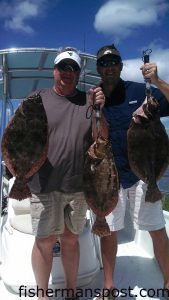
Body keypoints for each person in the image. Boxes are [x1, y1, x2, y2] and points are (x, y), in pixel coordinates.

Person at [25, 47, 105, 300]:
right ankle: (42, 295)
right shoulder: (37, 98)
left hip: (78, 185)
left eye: (73, 68)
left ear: (79, 73)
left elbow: (101, 139)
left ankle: (71, 293)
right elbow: (22, 137)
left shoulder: (88, 101)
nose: (67, 73)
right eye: (63, 67)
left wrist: (99, 109)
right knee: (45, 241)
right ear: (54, 70)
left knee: (71, 240)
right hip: (43, 184)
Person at [94, 44, 169, 299]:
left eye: (114, 61)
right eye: (104, 63)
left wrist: (157, 80)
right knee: (109, 230)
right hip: (110, 176)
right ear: (98, 69)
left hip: (143, 176)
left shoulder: (140, 91)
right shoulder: (94, 98)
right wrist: (97, 110)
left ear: (121, 65)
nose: (110, 67)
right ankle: (108, 286)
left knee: (157, 227)